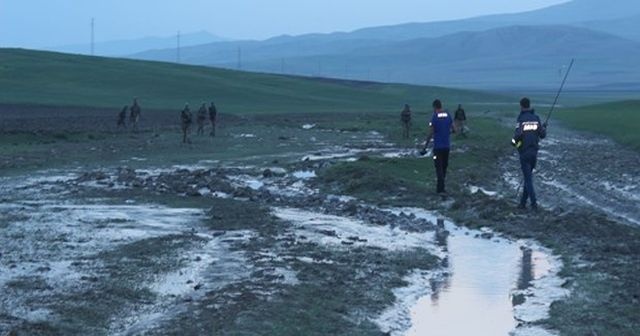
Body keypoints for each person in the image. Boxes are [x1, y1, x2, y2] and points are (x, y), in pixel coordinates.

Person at [512, 97, 547, 211]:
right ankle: (522, 204)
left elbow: (516, 137)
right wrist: (544, 128)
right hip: (534, 153)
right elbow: (542, 135)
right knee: (528, 178)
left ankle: (534, 204)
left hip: (524, 153)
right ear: (529, 105)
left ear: (521, 106)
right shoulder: (536, 118)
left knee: (528, 180)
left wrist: (515, 144)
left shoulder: (521, 119)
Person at [422, 99, 454, 194]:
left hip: (437, 149)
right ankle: (441, 188)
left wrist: (425, 147)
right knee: (444, 167)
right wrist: (447, 132)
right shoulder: (448, 115)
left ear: (434, 107)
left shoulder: (434, 117)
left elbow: (430, 133)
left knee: (438, 168)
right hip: (446, 147)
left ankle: (440, 189)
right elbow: (454, 129)